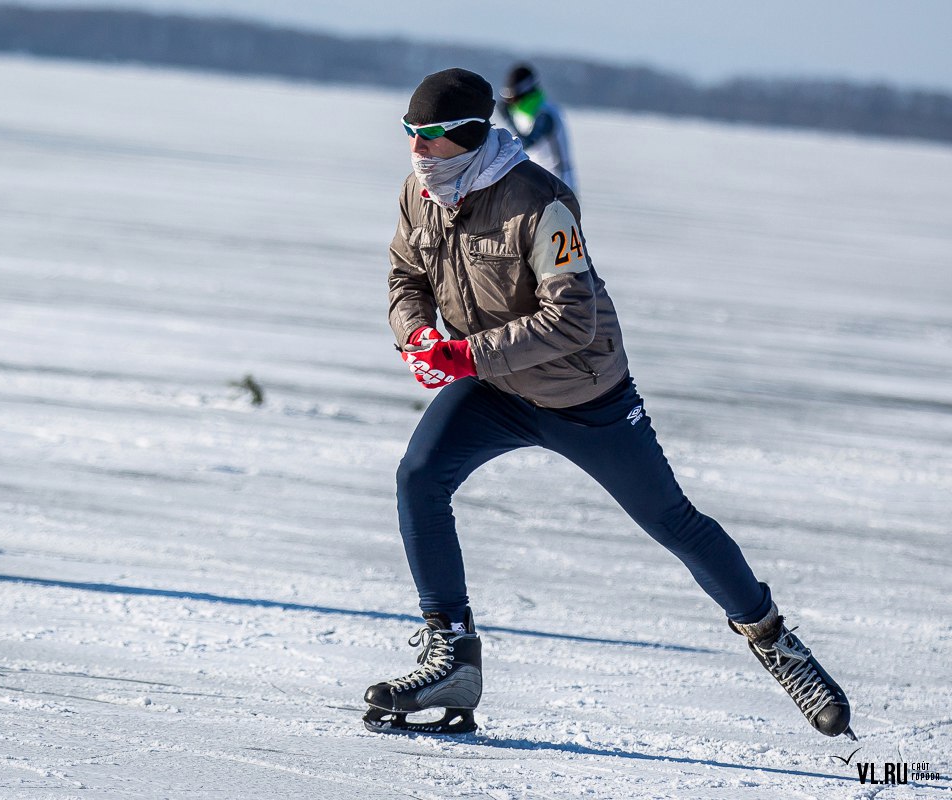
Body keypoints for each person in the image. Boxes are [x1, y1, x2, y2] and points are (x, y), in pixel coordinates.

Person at [362, 67, 855, 740]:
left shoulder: (541, 202)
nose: (420, 151)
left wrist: (466, 355)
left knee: (674, 522)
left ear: (472, 136)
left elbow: (573, 321)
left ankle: (775, 640)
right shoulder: (419, 195)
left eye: (435, 137)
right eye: (410, 135)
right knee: (420, 477)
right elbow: (405, 276)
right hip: (497, 387)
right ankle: (454, 656)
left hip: (584, 395)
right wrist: (418, 333)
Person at [498, 62, 578, 194]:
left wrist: (508, 119)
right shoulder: (522, 112)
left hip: (558, 185)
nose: (512, 104)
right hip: (536, 181)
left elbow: (526, 143)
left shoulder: (545, 113)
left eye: (514, 99)